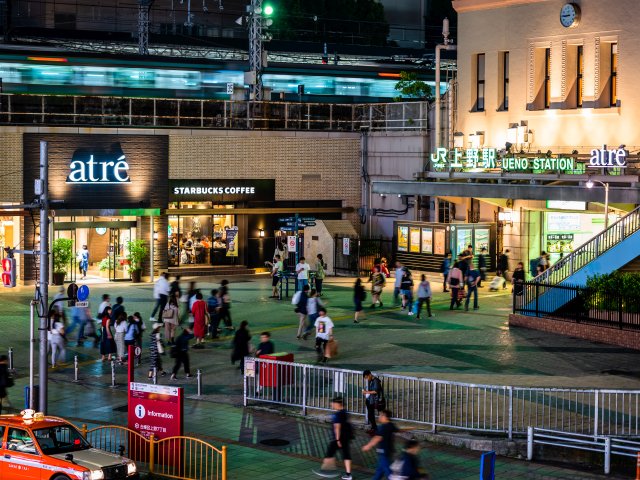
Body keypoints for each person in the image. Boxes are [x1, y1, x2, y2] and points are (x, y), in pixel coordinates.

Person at [314, 397, 353, 480]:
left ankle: (325, 470)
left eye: (333, 404)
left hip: (338, 438)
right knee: (346, 455)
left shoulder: (337, 415)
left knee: (329, 453)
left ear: (337, 404)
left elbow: (337, 428)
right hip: (346, 437)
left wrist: (337, 439)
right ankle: (348, 475)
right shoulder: (345, 412)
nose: (332, 405)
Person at [362, 409, 399, 480]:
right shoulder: (391, 425)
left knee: (388, 472)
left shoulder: (382, 427)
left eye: (381, 415)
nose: (379, 417)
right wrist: (409, 429)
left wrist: (368, 446)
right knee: (380, 470)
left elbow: (377, 438)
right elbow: (398, 430)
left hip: (383, 451)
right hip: (389, 451)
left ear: (385, 417)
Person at [362, 370, 382, 434]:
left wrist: (366, 392)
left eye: (367, 377)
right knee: (370, 415)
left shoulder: (376, 381)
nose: (367, 379)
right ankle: (373, 427)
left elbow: (376, 391)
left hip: (373, 400)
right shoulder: (371, 380)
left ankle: (374, 428)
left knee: (371, 415)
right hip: (370, 400)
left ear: (370, 374)